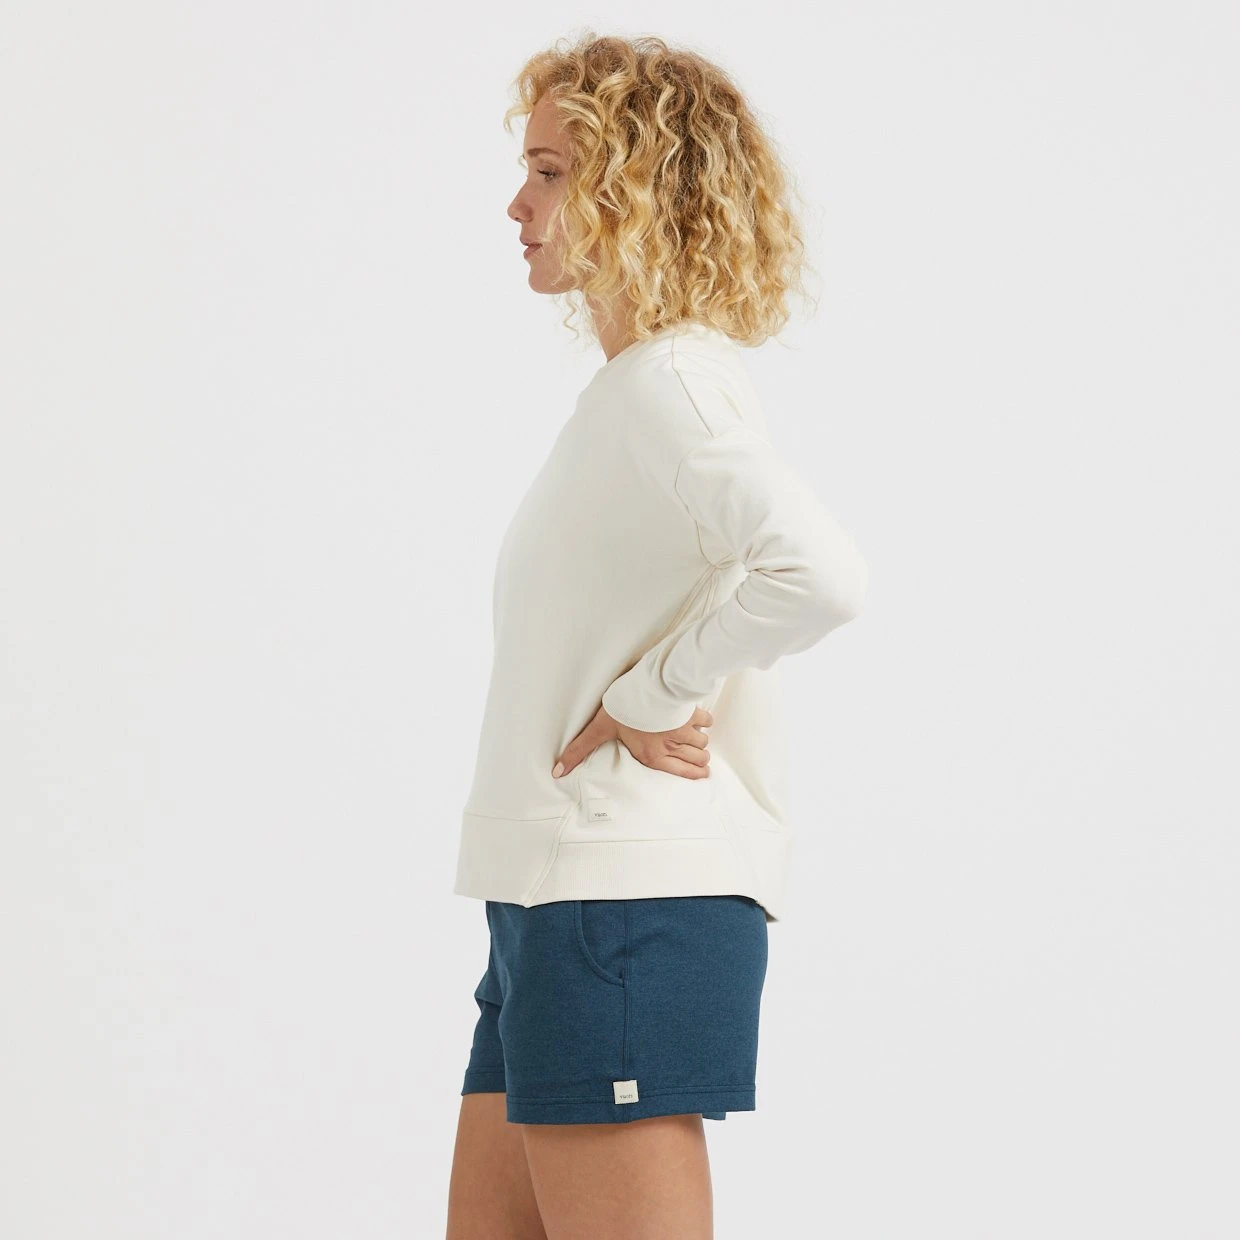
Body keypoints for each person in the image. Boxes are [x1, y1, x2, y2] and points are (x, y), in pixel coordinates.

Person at [446, 32, 869, 1240]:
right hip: (552, 897)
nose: (517, 205)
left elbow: (820, 574)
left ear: (635, 189)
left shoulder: (671, 388)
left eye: (550, 173)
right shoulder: (632, 395)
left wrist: (650, 694)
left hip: (622, 896)